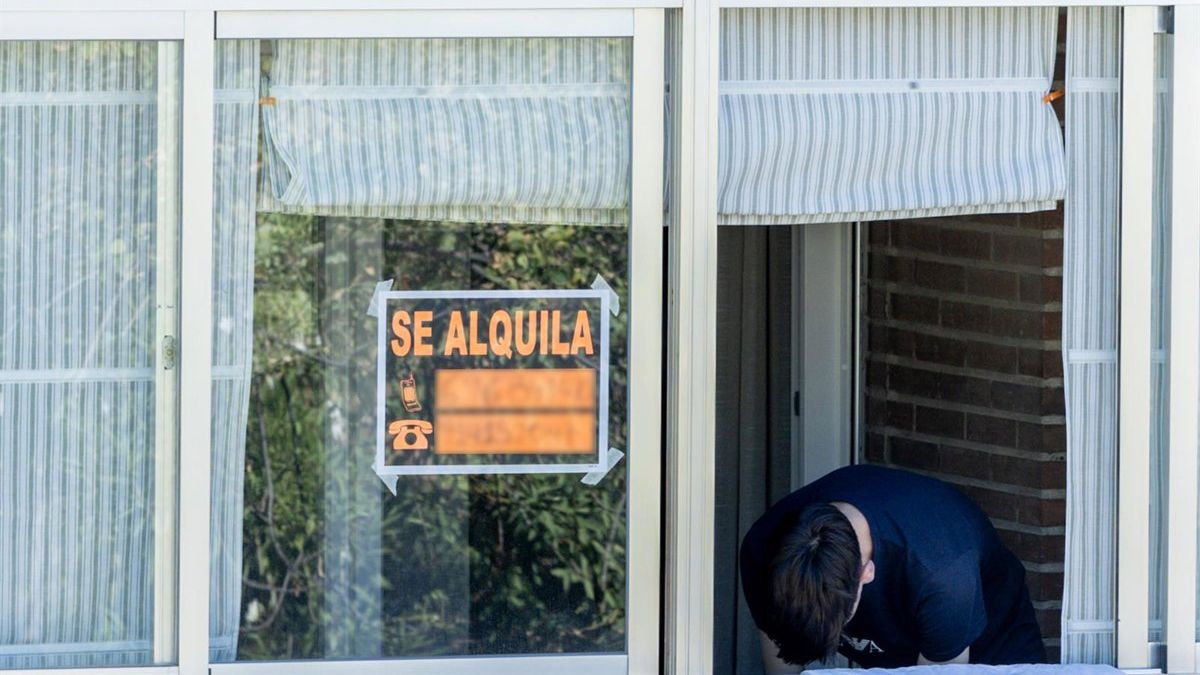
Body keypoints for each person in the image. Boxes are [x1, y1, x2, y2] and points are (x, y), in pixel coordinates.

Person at [740, 464, 1046, 672]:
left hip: (988, 645)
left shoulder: (941, 573)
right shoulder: (764, 550)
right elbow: (782, 662)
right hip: (897, 634)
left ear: (867, 572)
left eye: (837, 623)